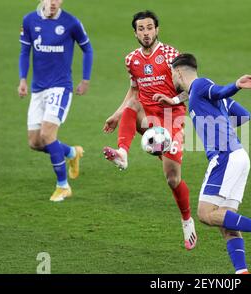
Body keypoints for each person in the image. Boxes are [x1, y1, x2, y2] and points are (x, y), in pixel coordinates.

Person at [154, 53, 251, 274]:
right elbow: (244, 115)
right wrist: (174, 101)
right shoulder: (204, 97)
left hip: (224, 156)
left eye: (172, 74)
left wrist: (236, 85)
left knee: (204, 213)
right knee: (226, 224)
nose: (171, 79)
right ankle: (242, 272)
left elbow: (217, 90)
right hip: (239, 155)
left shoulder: (202, 85)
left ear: (178, 72)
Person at [102, 11, 197, 250]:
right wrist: (116, 114)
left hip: (172, 120)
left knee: (172, 178)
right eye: (141, 29)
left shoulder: (171, 56)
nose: (146, 33)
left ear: (157, 30)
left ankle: (187, 220)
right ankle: (122, 153)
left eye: (150, 28)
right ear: (135, 33)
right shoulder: (131, 59)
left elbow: (191, 90)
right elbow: (133, 92)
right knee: (133, 105)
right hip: (147, 120)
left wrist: (171, 100)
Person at [18, 0, 93, 202]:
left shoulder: (71, 22)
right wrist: (22, 79)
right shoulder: (29, 20)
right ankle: (71, 152)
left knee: (47, 133)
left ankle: (63, 186)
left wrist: (85, 79)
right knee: (35, 142)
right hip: (38, 89)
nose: (53, 3)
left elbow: (88, 49)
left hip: (60, 87)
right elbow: (25, 51)